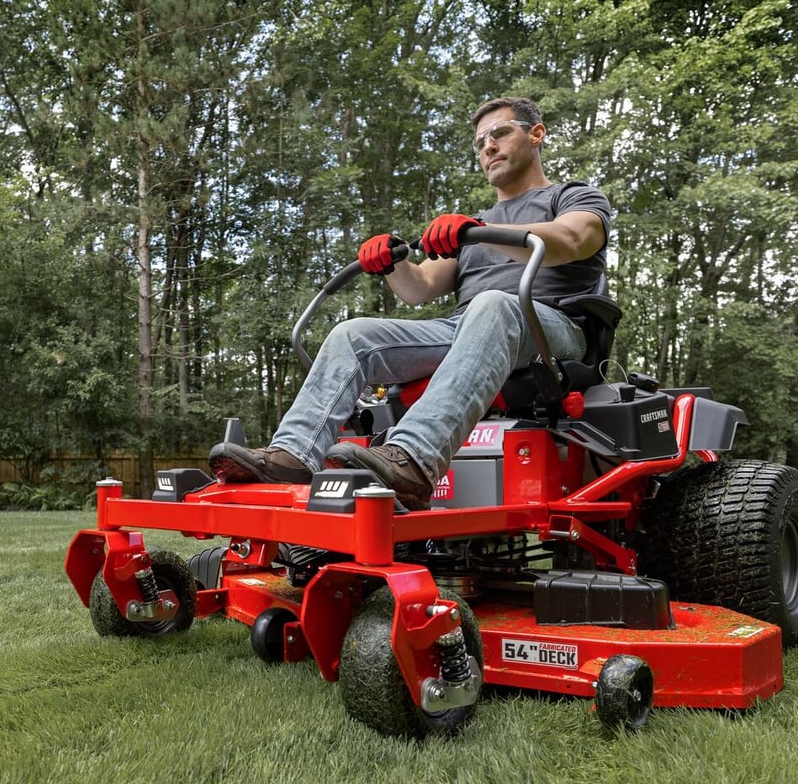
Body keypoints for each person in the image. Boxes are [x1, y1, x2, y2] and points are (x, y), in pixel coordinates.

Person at [208, 96, 614, 510]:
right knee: (354, 334)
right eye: (479, 143)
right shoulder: (474, 226)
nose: (487, 147)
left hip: (553, 331)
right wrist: (390, 264)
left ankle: (415, 458)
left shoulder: (573, 197)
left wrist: (482, 231)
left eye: (500, 133)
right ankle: (294, 455)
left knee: (493, 304)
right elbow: (420, 287)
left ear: (536, 135)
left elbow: (572, 240)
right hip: (470, 328)